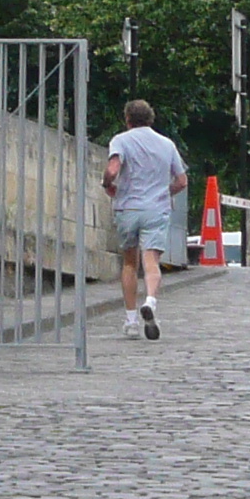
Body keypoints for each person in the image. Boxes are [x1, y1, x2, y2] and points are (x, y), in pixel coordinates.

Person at [101, 100, 186, 340]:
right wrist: (162, 193)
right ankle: (150, 302)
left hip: (128, 208)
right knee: (151, 261)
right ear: (151, 118)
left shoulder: (121, 140)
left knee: (129, 263)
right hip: (156, 209)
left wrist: (107, 184)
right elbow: (181, 181)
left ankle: (130, 321)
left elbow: (113, 169)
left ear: (127, 119)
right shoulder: (167, 144)